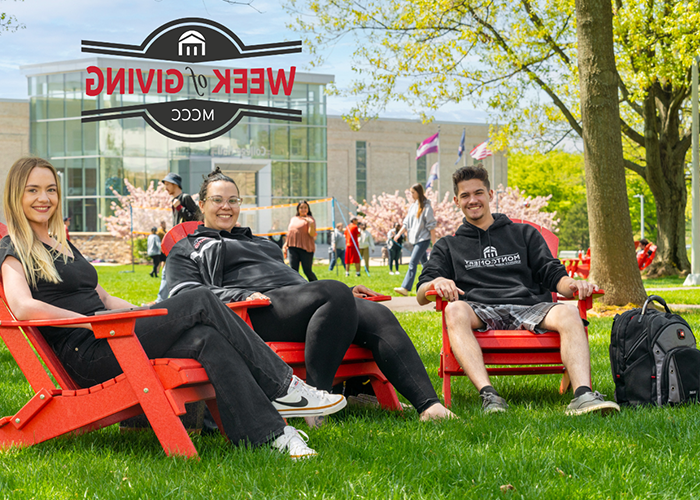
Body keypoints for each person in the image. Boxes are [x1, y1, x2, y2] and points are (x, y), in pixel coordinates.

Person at [0, 157, 347, 459]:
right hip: (88, 352)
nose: (43, 198)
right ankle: (284, 387)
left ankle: (270, 435)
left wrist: (147, 310)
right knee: (200, 298)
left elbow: (104, 299)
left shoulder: (62, 244)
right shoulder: (12, 245)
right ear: (16, 194)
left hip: (111, 334)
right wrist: (89, 324)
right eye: (32, 190)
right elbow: (23, 306)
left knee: (206, 337)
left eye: (50, 189)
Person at [166, 168, 454, 425]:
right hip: (255, 312)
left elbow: (294, 280)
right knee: (332, 292)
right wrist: (242, 294)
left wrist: (346, 295)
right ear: (202, 205)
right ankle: (316, 404)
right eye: (217, 200)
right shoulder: (188, 246)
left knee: (376, 313)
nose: (226, 207)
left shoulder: (260, 242)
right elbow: (185, 294)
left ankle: (429, 405)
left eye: (233, 200)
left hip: (296, 304)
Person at [416, 166, 620, 416]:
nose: (473, 200)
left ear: (490, 194)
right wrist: (435, 284)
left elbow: (552, 273)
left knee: (568, 314)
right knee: (455, 309)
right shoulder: (449, 246)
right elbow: (421, 292)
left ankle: (583, 395)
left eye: (478, 192)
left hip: (529, 307)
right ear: (457, 201)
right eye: (465, 195)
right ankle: (489, 395)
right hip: (480, 310)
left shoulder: (523, 234)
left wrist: (573, 285)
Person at [393, 183, 436, 296]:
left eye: (413, 192)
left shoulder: (426, 206)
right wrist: (398, 235)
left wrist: (434, 242)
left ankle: (405, 288)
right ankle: (433, 282)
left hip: (423, 239)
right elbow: (406, 223)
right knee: (425, 264)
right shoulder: (413, 206)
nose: (411, 195)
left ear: (418, 192)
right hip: (415, 239)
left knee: (412, 262)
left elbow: (431, 226)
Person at [283, 201, 317, 282]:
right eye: (301, 207)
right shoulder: (293, 219)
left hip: (306, 248)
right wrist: (285, 245)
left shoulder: (311, 219)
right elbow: (290, 233)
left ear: (308, 209)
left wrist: (311, 224)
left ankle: (317, 285)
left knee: (307, 270)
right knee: (293, 270)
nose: (303, 209)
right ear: (298, 209)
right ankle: (294, 287)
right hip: (292, 247)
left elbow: (312, 234)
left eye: (305, 207)